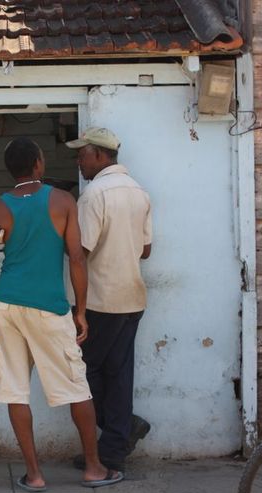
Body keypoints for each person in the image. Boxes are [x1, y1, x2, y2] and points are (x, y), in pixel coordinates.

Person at [0, 137, 122, 491]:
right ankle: (93, 468)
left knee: (15, 391)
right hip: (49, 307)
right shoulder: (62, 201)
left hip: (7, 306)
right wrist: (82, 311)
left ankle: (34, 475)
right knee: (76, 387)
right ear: (38, 164)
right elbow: (77, 259)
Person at [66, 127, 153, 472]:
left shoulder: (93, 195)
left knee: (82, 372)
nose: (79, 162)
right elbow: (146, 250)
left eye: (82, 155)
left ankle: (122, 431)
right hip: (132, 297)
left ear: (100, 155)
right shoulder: (139, 192)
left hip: (100, 301)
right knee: (118, 374)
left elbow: (80, 252)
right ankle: (115, 446)